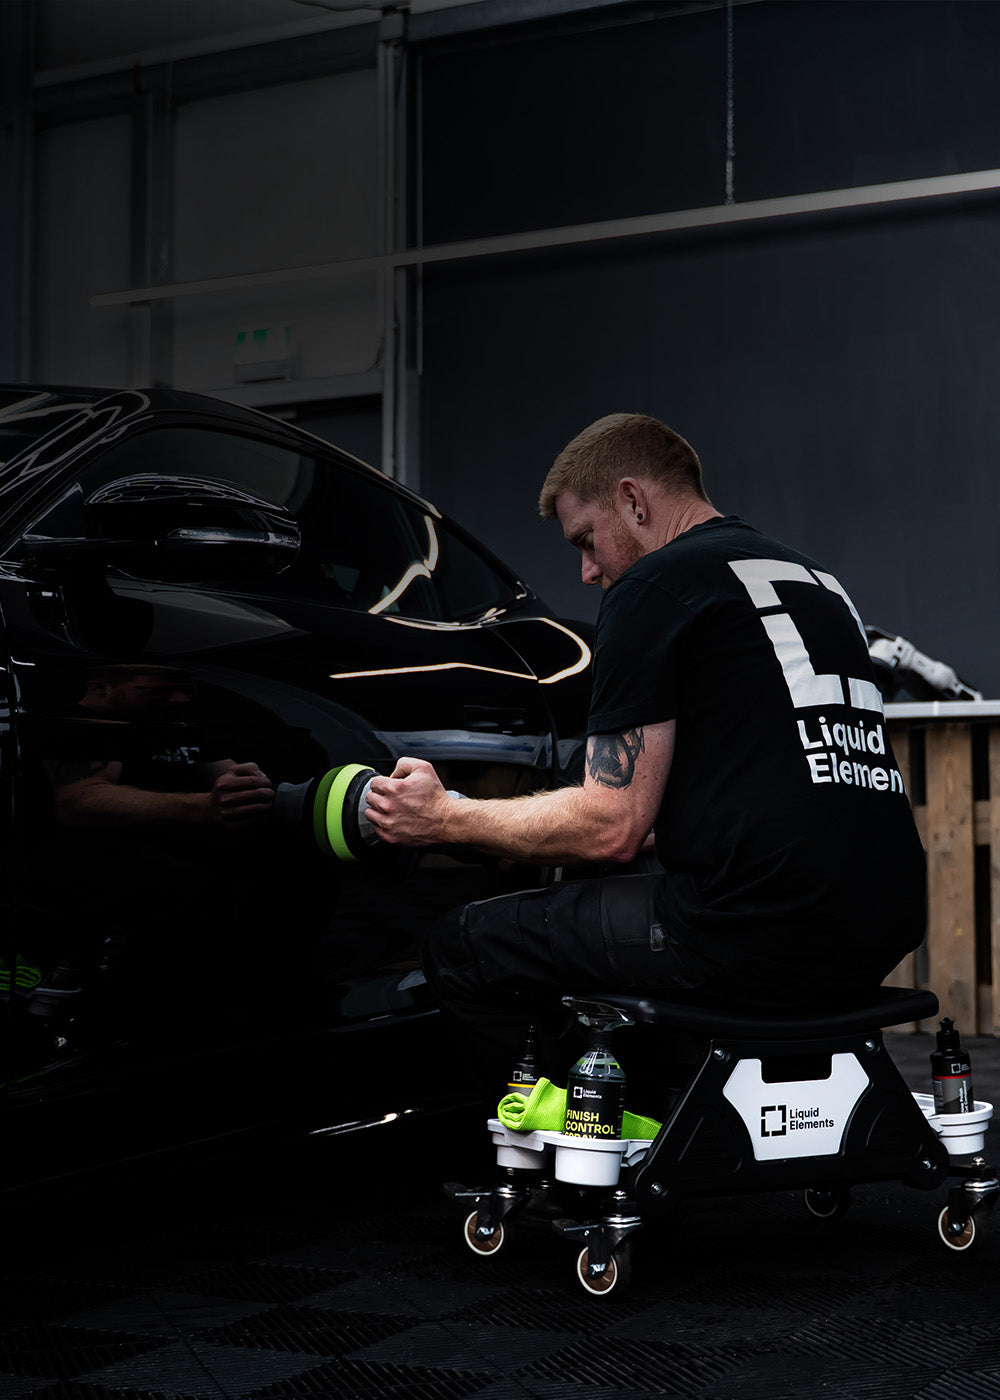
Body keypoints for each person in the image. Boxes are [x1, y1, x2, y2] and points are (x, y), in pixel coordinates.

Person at [364, 413, 926, 1093]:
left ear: (633, 500)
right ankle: (667, 1114)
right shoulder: (816, 580)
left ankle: (571, 1139)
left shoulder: (654, 585)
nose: (586, 570)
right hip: (880, 926)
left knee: (466, 946)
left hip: (752, 933)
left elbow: (610, 827)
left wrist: (444, 818)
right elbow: (771, 786)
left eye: (587, 539)